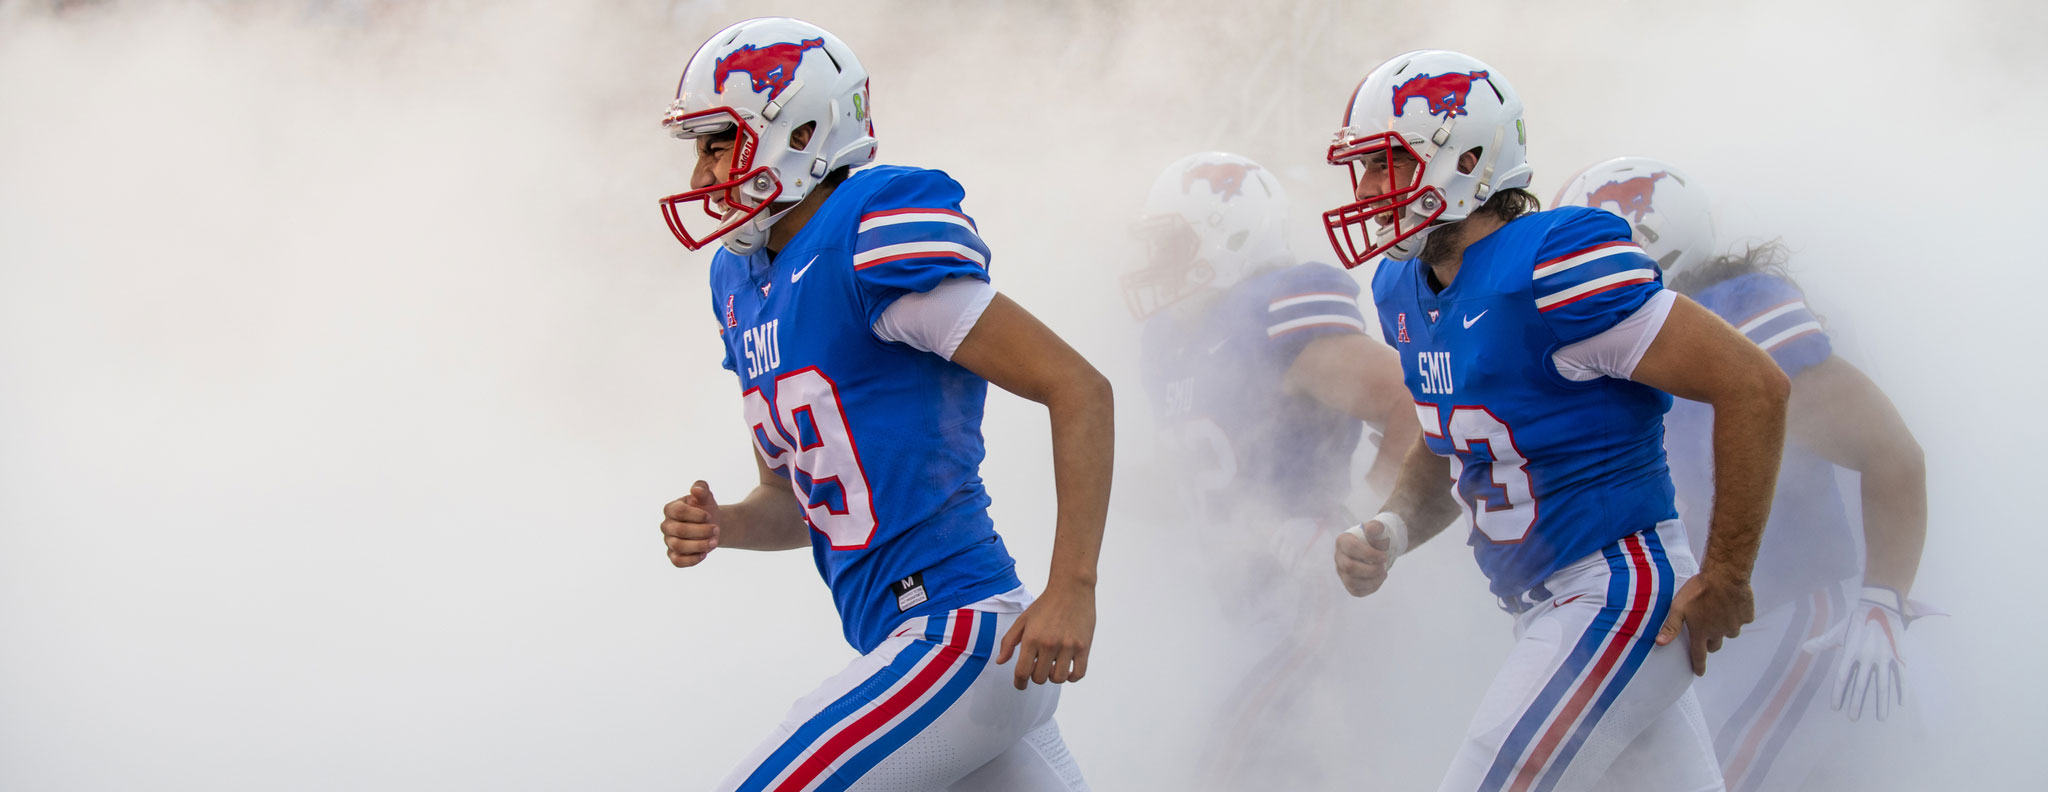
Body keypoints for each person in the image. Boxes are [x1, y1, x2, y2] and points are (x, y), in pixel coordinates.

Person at [653, 18, 1106, 791]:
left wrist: (1072, 588)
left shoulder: (869, 231)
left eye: (717, 143)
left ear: (801, 130)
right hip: (924, 652)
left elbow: (1079, 388)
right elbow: (798, 500)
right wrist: (728, 524)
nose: (701, 175)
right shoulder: (741, 285)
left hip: (957, 636)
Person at [1323, 50, 1791, 791]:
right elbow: (1456, 440)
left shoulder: (1551, 261)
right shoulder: (1401, 288)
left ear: (1467, 161)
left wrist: (1729, 573)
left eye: (1387, 165)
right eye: (1365, 170)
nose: (1370, 190)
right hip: (1553, 606)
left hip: (1615, 591)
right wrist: (1394, 527)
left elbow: (1754, 386)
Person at [1558, 156, 1930, 792]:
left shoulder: (1735, 314)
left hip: (1786, 618)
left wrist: (1882, 603)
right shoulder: (1605, 342)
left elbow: (1891, 453)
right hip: (1698, 640)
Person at [1125, 152, 1417, 788]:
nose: (1158, 260)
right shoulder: (1170, 341)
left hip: (1305, 595)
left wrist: (1364, 521)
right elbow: (1209, 468)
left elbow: (1409, 403)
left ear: (1226, 236)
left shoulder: (1270, 307)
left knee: (1210, 767)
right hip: (1242, 610)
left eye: (1173, 241)